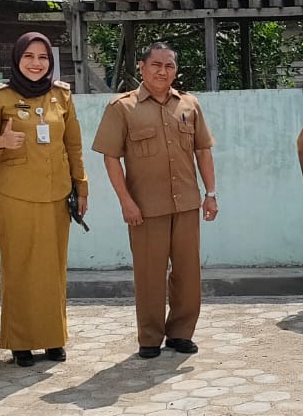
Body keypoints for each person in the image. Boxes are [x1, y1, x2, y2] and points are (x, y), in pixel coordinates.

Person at [92, 42, 218, 359]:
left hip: (187, 204)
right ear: (142, 68)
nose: (163, 71)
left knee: (188, 274)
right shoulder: (122, 108)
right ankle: (149, 337)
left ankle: (180, 333)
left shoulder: (189, 105)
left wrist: (210, 194)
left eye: (169, 66)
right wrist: (125, 201)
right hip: (146, 209)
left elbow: (203, 150)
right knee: (149, 273)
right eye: (156, 65)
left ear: (175, 70)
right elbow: (110, 158)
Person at [0, 32, 89, 367]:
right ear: (17, 59)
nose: (36, 64)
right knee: (19, 268)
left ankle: (54, 338)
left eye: (43, 58)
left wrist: (81, 187)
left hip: (56, 194)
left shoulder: (62, 95)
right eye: (29, 57)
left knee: (53, 268)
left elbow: (74, 145)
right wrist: (1, 143)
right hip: (15, 196)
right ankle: (20, 342)